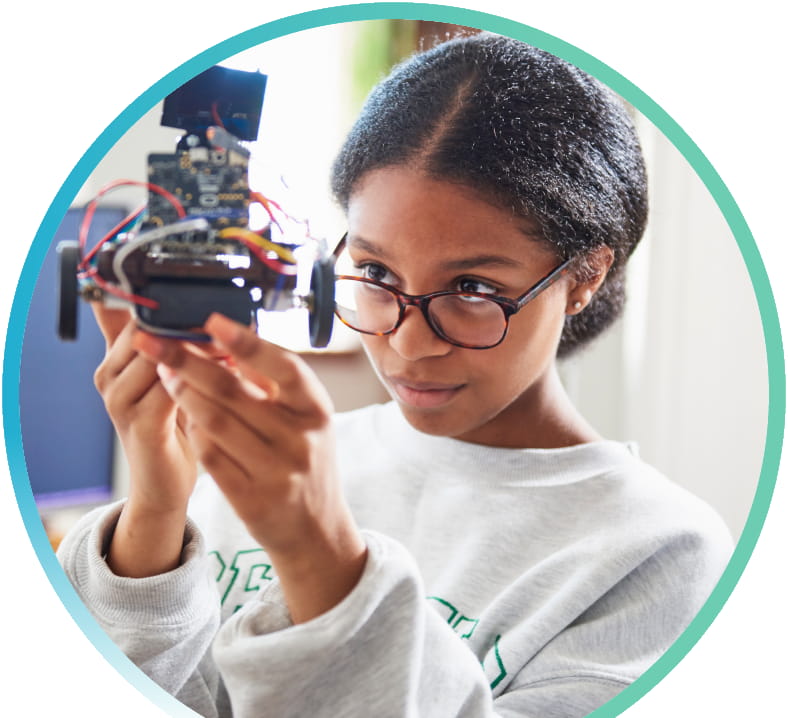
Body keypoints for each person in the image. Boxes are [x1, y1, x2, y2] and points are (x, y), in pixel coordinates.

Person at [58, 32, 733, 718]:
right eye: (376, 274)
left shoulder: (661, 552)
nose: (409, 344)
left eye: (471, 287)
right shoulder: (276, 467)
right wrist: (156, 512)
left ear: (585, 275)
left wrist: (319, 552)